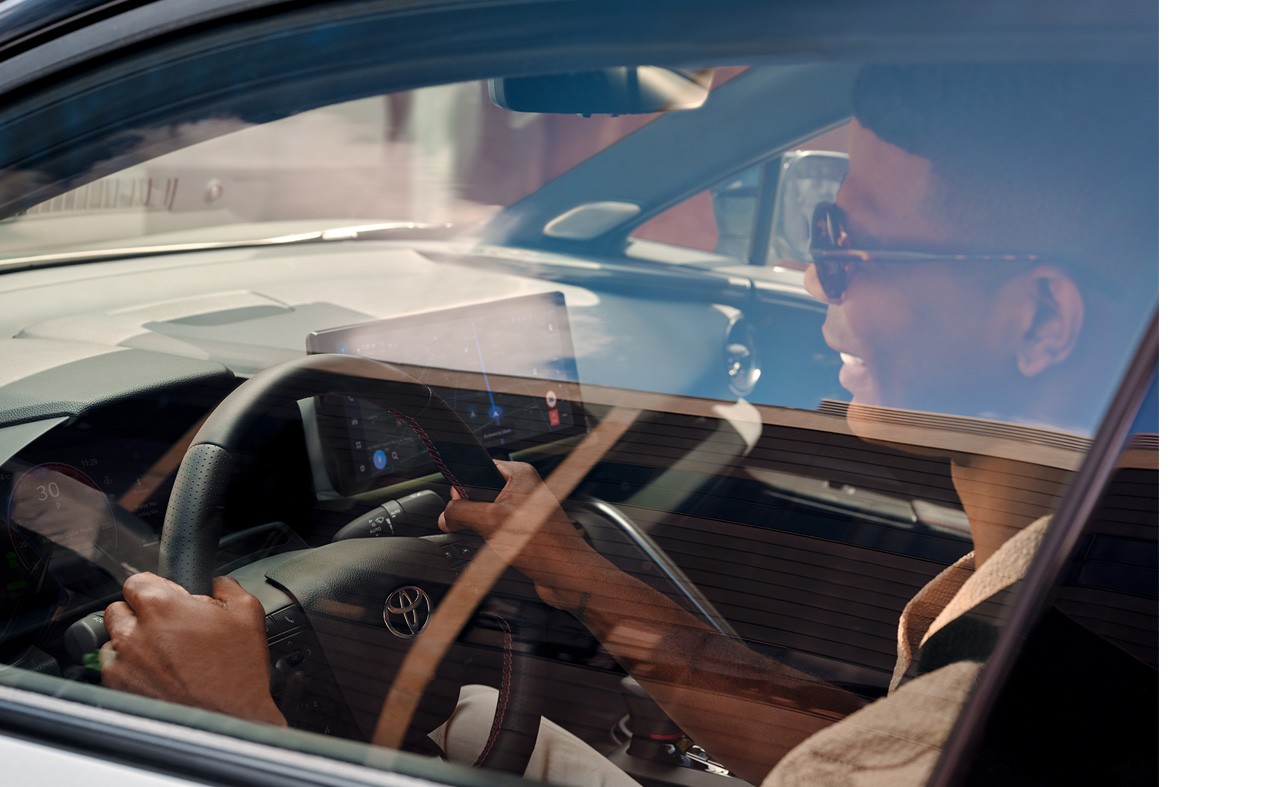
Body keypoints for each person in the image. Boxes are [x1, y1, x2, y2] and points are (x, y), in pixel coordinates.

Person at [99, 61, 1157, 785]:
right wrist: (574, 575)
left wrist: (238, 731)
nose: (804, 270)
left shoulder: (1000, 684)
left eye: (848, 243)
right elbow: (847, 750)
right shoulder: (1072, 597)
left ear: (1038, 319)